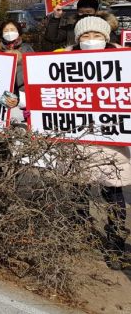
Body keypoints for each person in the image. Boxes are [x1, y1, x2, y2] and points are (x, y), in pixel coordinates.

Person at [67, 16, 130, 269]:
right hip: (77, 142)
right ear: (77, 39)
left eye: (96, 36)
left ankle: (115, 244)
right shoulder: (61, 63)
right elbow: (42, 95)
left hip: (111, 145)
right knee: (78, 193)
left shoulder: (124, 63)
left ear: (106, 38)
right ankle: (80, 236)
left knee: (113, 195)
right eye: (85, 36)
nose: (91, 41)